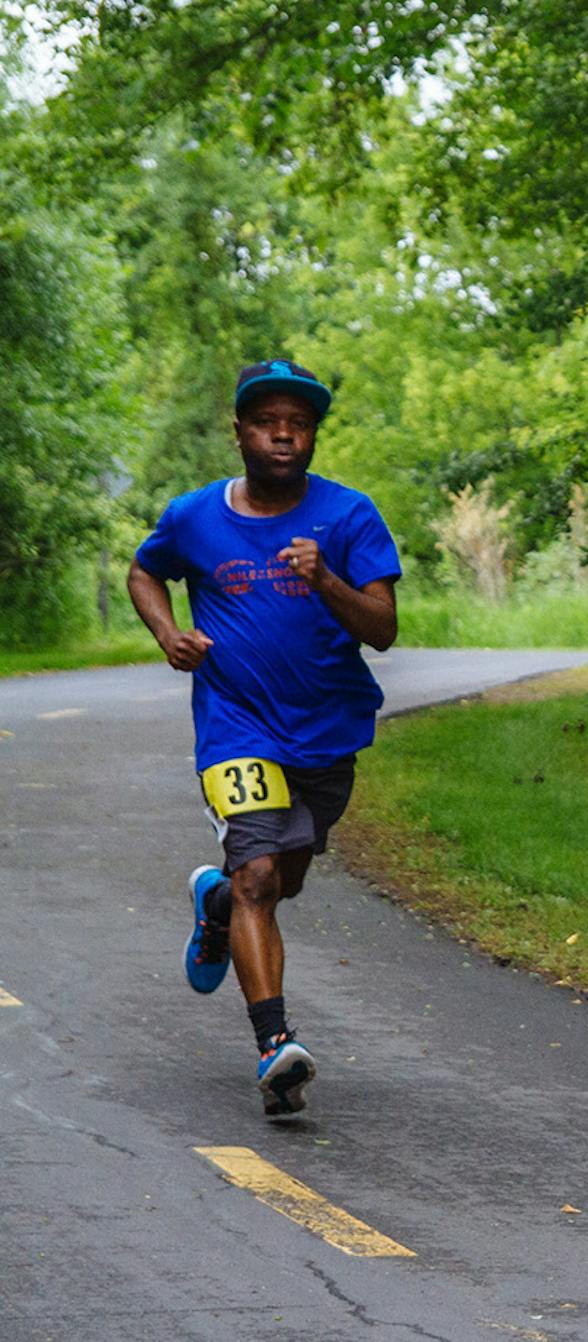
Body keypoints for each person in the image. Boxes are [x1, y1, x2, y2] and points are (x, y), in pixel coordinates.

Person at [128, 359, 401, 1118]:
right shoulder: (193, 516)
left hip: (327, 730)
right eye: (268, 421)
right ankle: (274, 1046)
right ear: (241, 430)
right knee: (258, 878)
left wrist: (326, 582)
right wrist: (167, 634)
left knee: (280, 881)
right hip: (235, 725)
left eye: (300, 423)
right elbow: (144, 572)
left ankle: (214, 905)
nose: (284, 434)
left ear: (312, 435)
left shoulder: (349, 517)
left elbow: (382, 630)